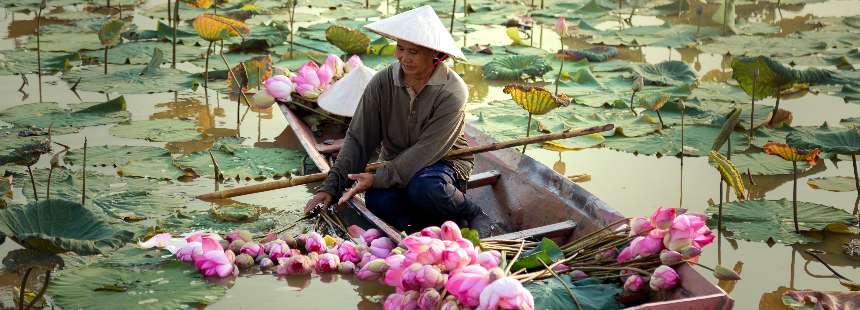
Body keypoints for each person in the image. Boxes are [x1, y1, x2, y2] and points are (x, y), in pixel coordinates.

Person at [304, 6, 492, 233]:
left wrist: (378, 177)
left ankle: (470, 212)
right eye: (401, 48)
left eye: (413, 52)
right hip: (395, 160)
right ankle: (424, 230)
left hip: (443, 161)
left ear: (435, 55)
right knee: (378, 200)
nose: (404, 57)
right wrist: (331, 188)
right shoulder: (382, 82)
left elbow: (426, 150)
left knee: (425, 187)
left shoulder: (452, 91)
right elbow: (359, 139)